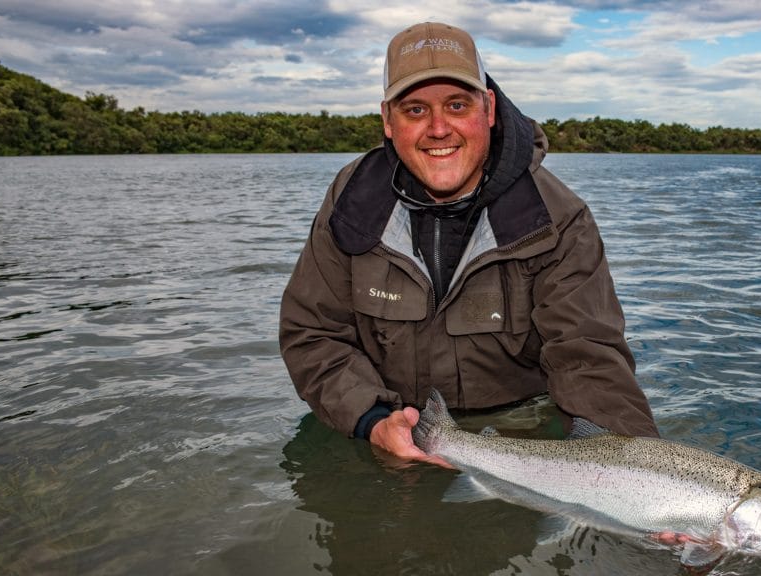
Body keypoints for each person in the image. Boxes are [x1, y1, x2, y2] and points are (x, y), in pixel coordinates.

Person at [279, 21, 657, 464]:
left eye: (457, 105)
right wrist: (372, 419)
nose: (439, 129)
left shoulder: (557, 217)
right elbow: (312, 333)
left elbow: (588, 359)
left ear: (489, 108)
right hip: (379, 431)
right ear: (387, 120)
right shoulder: (352, 203)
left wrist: (640, 475)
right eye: (415, 110)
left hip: (521, 442)